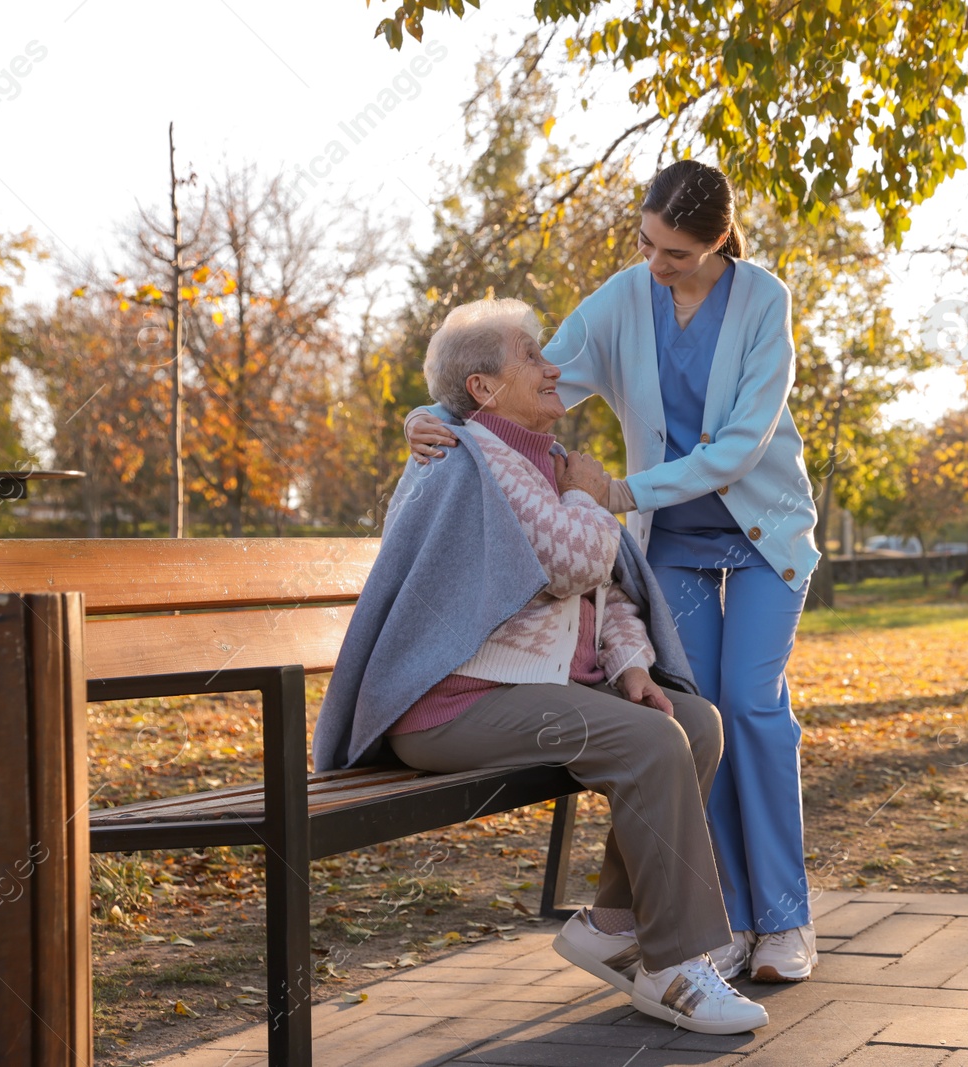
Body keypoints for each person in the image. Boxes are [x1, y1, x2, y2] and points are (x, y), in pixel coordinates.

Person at [403, 160, 821, 983]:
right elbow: (526, 377)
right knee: (700, 712)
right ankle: (730, 920)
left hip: (763, 534)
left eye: (674, 253)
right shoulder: (626, 298)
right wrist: (430, 412)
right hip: (676, 543)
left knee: (753, 704)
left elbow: (740, 445)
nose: (655, 262)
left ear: (719, 242)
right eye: (647, 241)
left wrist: (622, 490)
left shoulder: (766, 301)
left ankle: (785, 920)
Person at [313, 298, 767, 1035]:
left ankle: (615, 924)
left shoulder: (544, 460)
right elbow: (571, 560)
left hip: (535, 691)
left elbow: (608, 584)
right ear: (486, 389)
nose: (553, 366)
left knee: (694, 721)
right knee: (652, 743)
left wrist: (630, 667)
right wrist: (590, 497)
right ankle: (677, 965)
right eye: (530, 355)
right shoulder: (467, 457)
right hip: (452, 703)